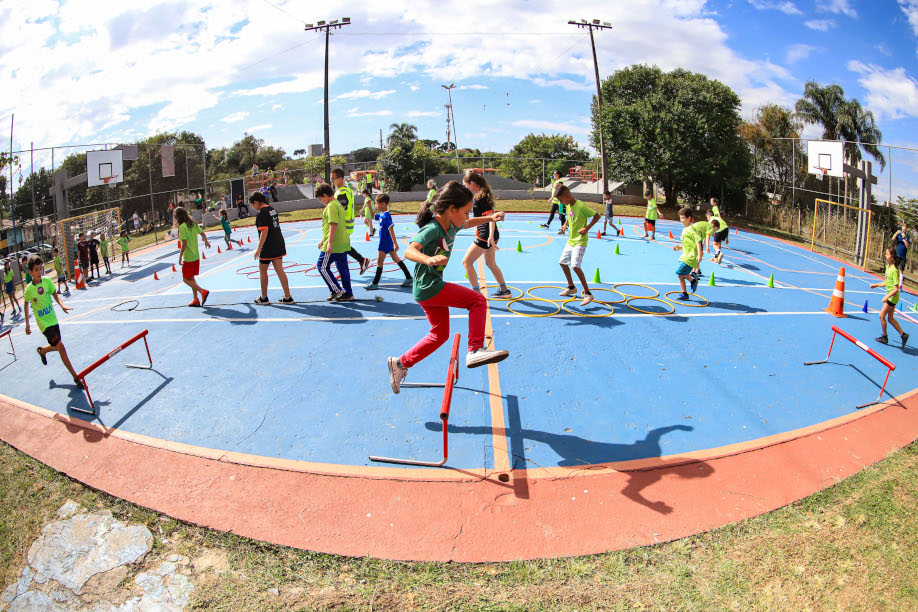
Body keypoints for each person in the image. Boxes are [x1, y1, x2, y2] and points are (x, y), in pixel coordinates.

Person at [386, 181, 510, 394]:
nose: (467, 216)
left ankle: (401, 363)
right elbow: (409, 251)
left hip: (426, 290)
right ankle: (475, 349)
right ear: (452, 210)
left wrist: (490, 218)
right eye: (466, 211)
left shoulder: (452, 223)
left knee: (439, 335)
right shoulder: (433, 229)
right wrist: (428, 259)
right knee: (477, 300)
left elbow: (469, 224)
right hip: (429, 286)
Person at [23, 255, 82, 389]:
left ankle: (43, 350)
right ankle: (76, 377)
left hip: (53, 319)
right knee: (61, 347)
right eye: (36, 270)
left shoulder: (47, 281)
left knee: (57, 346)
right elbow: (26, 304)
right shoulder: (29, 290)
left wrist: (62, 305)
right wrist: (27, 324)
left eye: (41, 269)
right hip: (44, 324)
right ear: (31, 272)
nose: (39, 272)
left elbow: (55, 295)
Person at [461, 172, 511, 299]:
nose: (466, 188)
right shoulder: (482, 195)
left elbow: (491, 217)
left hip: (486, 235)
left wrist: (490, 238)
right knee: (490, 263)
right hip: (487, 234)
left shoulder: (480, 197)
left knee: (466, 262)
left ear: (472, 183)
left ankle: (476, 295)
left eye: (466, 185)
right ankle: (505, 291)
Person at [556, 184, 601, 306]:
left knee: (575, 266)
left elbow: (597, 216)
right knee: (562, 263)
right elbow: (570, 216)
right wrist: (565, 224)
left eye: (561, 200)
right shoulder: (569, 205)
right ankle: (571, 288)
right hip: (571, 240)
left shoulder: (581, 206)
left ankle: (588, 293)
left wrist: (587, 228)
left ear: (567, 196)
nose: (561, 203)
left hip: (580, 241)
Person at [250, 192, 293, 305]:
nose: (252, 207)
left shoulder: (262, 213)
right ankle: (288, 296)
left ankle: (264, 297)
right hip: (278, 243)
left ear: (256, 202)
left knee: (262, 270)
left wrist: (258, 249)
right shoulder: (272, 209)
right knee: (279, 270)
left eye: (252, 205)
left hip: (268, 245)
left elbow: (264, 231)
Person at [365, 193, 413, 290]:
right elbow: (374, 216)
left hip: (385, 242)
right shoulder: (382, 214)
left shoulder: (386, 216)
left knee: (379, 262)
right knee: (396, 259)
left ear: (383, 204)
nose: (376, 206)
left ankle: (375, 283)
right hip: (387, 242)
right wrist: (369, 206)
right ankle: (408, 277)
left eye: (377, 204)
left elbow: (391, 229)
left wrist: (395, 243)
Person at [315, 183, 354, 301]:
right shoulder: (338, 204)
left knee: (321, 266)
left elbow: (333, 224)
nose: (321, 201)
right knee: (343, 268)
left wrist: (329, 243)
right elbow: (335, 224)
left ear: (325, 195)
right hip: (342, 242)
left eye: (320, 198)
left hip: (334, 244)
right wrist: (323, 239)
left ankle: (336, 290)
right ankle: (348, 293)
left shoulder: (331, 206)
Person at [331, 168, 371, 275]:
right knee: (344, 247)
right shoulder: (347, 190)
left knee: (339, 248)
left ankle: (360, 261)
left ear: (340, 179)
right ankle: (359, 262)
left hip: (343, 225)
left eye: (333, 179)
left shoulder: (342, 192)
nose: (332, 181)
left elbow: (342, 208)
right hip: (346, 225)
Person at [870, 247, 909, 347]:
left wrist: (887, 296)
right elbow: (887, 283)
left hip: (892, 297)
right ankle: (903, 335)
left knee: (881, 315)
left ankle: (885, 337)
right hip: (891, 297)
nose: (885, 256)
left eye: (887, 254)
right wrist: (876, 285)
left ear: (892, 257)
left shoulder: (894, 271)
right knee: (890, 318)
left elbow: (896, 288)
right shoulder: (888, 267)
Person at [173, 206, 211, 307]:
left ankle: (202, 291)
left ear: (177, 217)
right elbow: (203, 234)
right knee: (191, 278)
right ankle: (195, 299)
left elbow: (184, 243)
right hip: (196, 256)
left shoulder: (182, 227)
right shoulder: (193, 224)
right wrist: (206, 242)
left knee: (185, 279)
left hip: (188, 257)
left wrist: (180, 256)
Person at [671, 207, 704, 300]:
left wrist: (700, 254)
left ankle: (693, 281)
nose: (681, 220)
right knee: (680, 275)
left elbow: (698, 241)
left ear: (689, 218)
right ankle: (685, 294)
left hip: (691, 257)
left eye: (683, 218)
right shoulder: (685, 229)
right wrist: (679, 247)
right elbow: (687, 243)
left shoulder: (693, 229)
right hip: (686, 255)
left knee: (680, 273)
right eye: (680, 218)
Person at [892, 220, 910, 289]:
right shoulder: (899, 235)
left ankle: (900, 285)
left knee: (901, 270)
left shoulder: (907, 238)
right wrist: (896, 233)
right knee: (894, 268)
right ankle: (894, 281)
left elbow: (907, 246)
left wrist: (904, 239)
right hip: (897, 255)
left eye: (905, 230)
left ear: (906, 231)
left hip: (903, 257)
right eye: (903, 230)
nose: (903, 231)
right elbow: (893, 238)